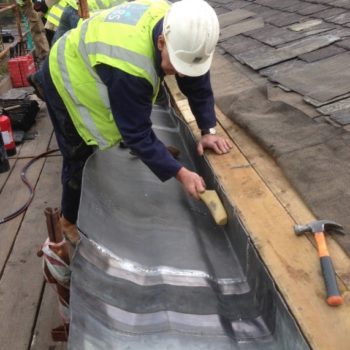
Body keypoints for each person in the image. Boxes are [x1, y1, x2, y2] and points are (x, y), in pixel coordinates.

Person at [41, 0, 233, 243]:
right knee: (78, 153)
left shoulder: (184, 31)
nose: (182, 74)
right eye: (178, 66)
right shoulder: (130, 66)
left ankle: (152, 153)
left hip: (103, 63)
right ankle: (68, 219)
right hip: (65, 73)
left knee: (132, 116)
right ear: (161, 42)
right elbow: (136, 132)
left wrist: (208, 129)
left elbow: (198, 83)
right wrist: (181, 173)